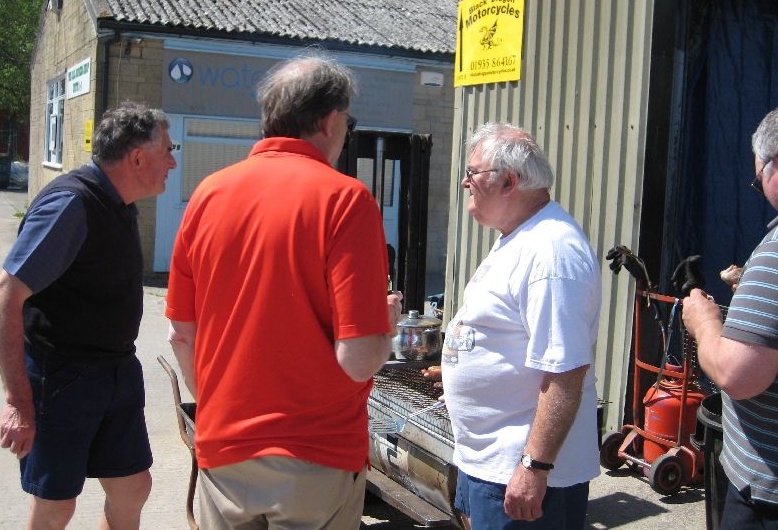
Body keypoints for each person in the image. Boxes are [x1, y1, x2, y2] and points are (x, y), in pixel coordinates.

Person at [166, 53, 403, 529]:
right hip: (314, 453)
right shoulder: (346, 199)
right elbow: (358, 358)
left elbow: (181, 334)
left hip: (223, 449)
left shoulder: (208, 194)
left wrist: (217, 410)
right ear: (329, 121)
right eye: (348, 122)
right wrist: (385, 326)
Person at [0, 101, 177, 529]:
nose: (173, 162)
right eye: (168, 150)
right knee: (56, 504)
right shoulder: (71, 205)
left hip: (115, 370)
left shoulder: (119, 202)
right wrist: (18, 403)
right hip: (63, 377)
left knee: (132, 486)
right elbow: (1, 301)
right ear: (137, 158)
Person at [436, 123, 601, 529]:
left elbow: (565, 373)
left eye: (472, 173)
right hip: (488, 461)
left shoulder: (552, 254)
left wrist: (534, 467)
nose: (465, 182)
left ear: (508, 181)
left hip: (520, 474)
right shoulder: (519, 236)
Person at [683, 107, 778, 529]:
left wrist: (704, 322)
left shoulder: (774, 256)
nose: (759, 189)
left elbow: (739, 375)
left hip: (767, 498)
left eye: (758, 181)